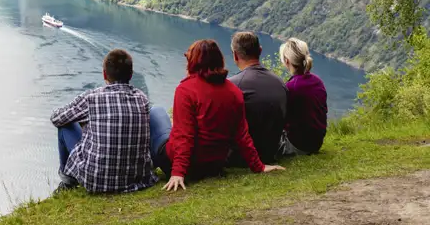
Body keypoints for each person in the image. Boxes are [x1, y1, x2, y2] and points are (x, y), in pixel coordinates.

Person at [153, 39, 285, 192]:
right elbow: (242, 134)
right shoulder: (233, 91)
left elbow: (185, 135)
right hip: (215, 165)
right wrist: (258, 166)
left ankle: (143, 169)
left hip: (183, 165)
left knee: (156, 113)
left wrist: (178, 172)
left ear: (194, 61)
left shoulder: (186, 90)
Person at [51, 49, 157, 194]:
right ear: (131, 75)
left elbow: (57, 118)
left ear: (104, 74)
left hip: (96, 181)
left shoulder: (91, 98)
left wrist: (85, 123)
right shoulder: (142, 98)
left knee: (65, 126)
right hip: (137, 179)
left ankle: (68, 182)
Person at [228, 31, 287, 164]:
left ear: (235, 55)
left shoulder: (233, 85)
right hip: (271, 152)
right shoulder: (279, 82)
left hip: (240, 157)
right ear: (260, 51)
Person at [279, 38, 328, 155]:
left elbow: (282, 119)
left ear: (286, 61)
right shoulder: (317, 81)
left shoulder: (291, 87)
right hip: (316, 142)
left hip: (298, 145)